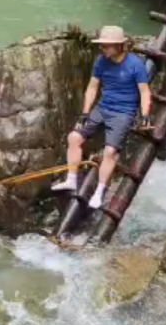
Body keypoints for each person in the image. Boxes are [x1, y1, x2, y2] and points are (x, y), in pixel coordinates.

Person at [52, 26, 152, 212]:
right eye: (102, 45)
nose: (102, 49)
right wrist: (85, 112)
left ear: (119, 45)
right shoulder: (101, 61)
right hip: (103, 107)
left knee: (110, 151)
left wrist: (145, 115)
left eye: (106, 45)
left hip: (124, 112)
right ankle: (71, 180)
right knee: (74, 138)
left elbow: (144, 92)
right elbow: (92, 87)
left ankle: (99, 191)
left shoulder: (135, 64)